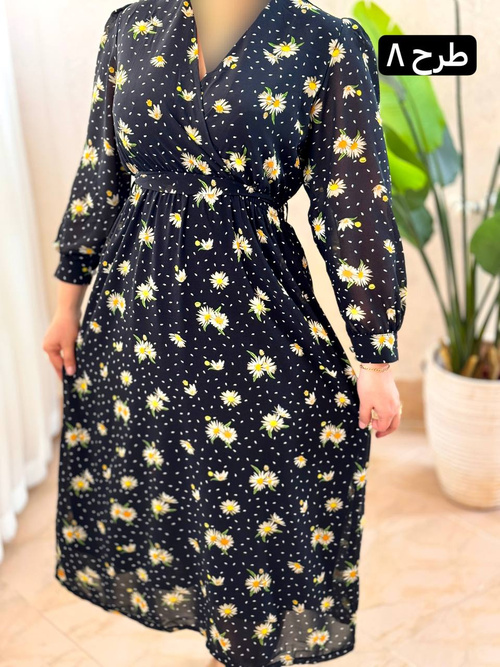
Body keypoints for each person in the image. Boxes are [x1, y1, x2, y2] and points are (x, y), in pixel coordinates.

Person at [43, 0, 407, 665]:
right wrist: (66, 304)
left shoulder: (325, 41)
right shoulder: (130, 28)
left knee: (255, 518)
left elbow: (355, 201)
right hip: (139, 322)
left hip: (255, 324)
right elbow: (102, 171)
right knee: (180, 507)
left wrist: (375, 357)